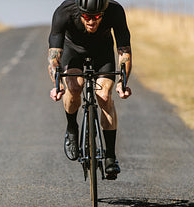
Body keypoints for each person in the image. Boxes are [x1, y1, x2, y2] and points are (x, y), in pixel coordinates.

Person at [48, 0, 132, 180]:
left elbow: (124, 52)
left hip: (102, 51)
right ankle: (72, 127)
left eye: (97, 17)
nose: (92, 22)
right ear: (79, 12)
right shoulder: (64, 12)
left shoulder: (115, 11)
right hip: (73, 51)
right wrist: (57, 84)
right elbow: (54, 56)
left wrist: (122, 82)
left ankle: (110, 156)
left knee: (103, 96)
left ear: (104, 12)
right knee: (74, 87)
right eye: (87, 17)